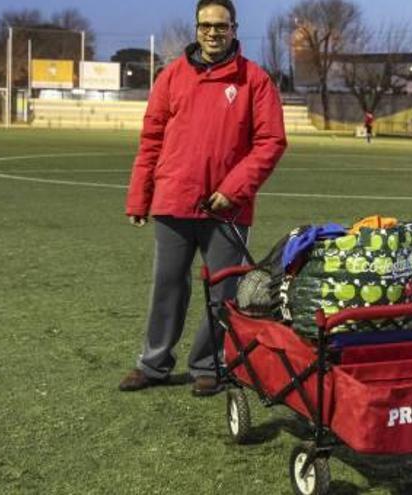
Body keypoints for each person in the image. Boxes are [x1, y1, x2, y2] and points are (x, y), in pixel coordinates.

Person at [119, 0, 287, 395]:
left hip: (228, 210)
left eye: (221, 25)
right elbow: (152, 140)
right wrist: (138, 198)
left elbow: (271, 141)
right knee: (167, 286)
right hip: (173, 200)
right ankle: (154, 363)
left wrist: (232, 190)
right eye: (206, 25)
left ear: (234, 29)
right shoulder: (172, 77)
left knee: (223, 292)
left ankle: (208, 364)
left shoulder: (255, 80)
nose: (213, 32)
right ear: (196, 29)